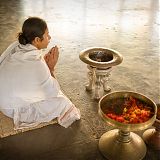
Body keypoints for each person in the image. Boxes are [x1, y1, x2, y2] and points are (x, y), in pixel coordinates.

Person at [0, 17, 80, 129]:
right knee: (63, 103)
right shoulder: (37, 63)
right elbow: (53, 91)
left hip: (3, 99)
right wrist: (51, 68)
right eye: (47, 35)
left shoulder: (16, 46)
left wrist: (44, 66)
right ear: (37, 40)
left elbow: (27, 72)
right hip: (12, 109)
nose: (50, 37)